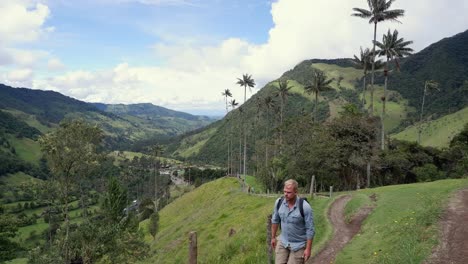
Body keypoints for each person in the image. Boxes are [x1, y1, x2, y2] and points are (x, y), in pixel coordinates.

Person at [271, 179, 315, 264]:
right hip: (283, 241)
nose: (286, 194)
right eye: (284, 191)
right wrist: (273, 237)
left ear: (296, 192)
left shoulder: (305, 207)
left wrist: (308, 249)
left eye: (289, 192)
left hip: (299, 245)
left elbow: (310, 229)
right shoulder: (279, 203)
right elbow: (275, 220)